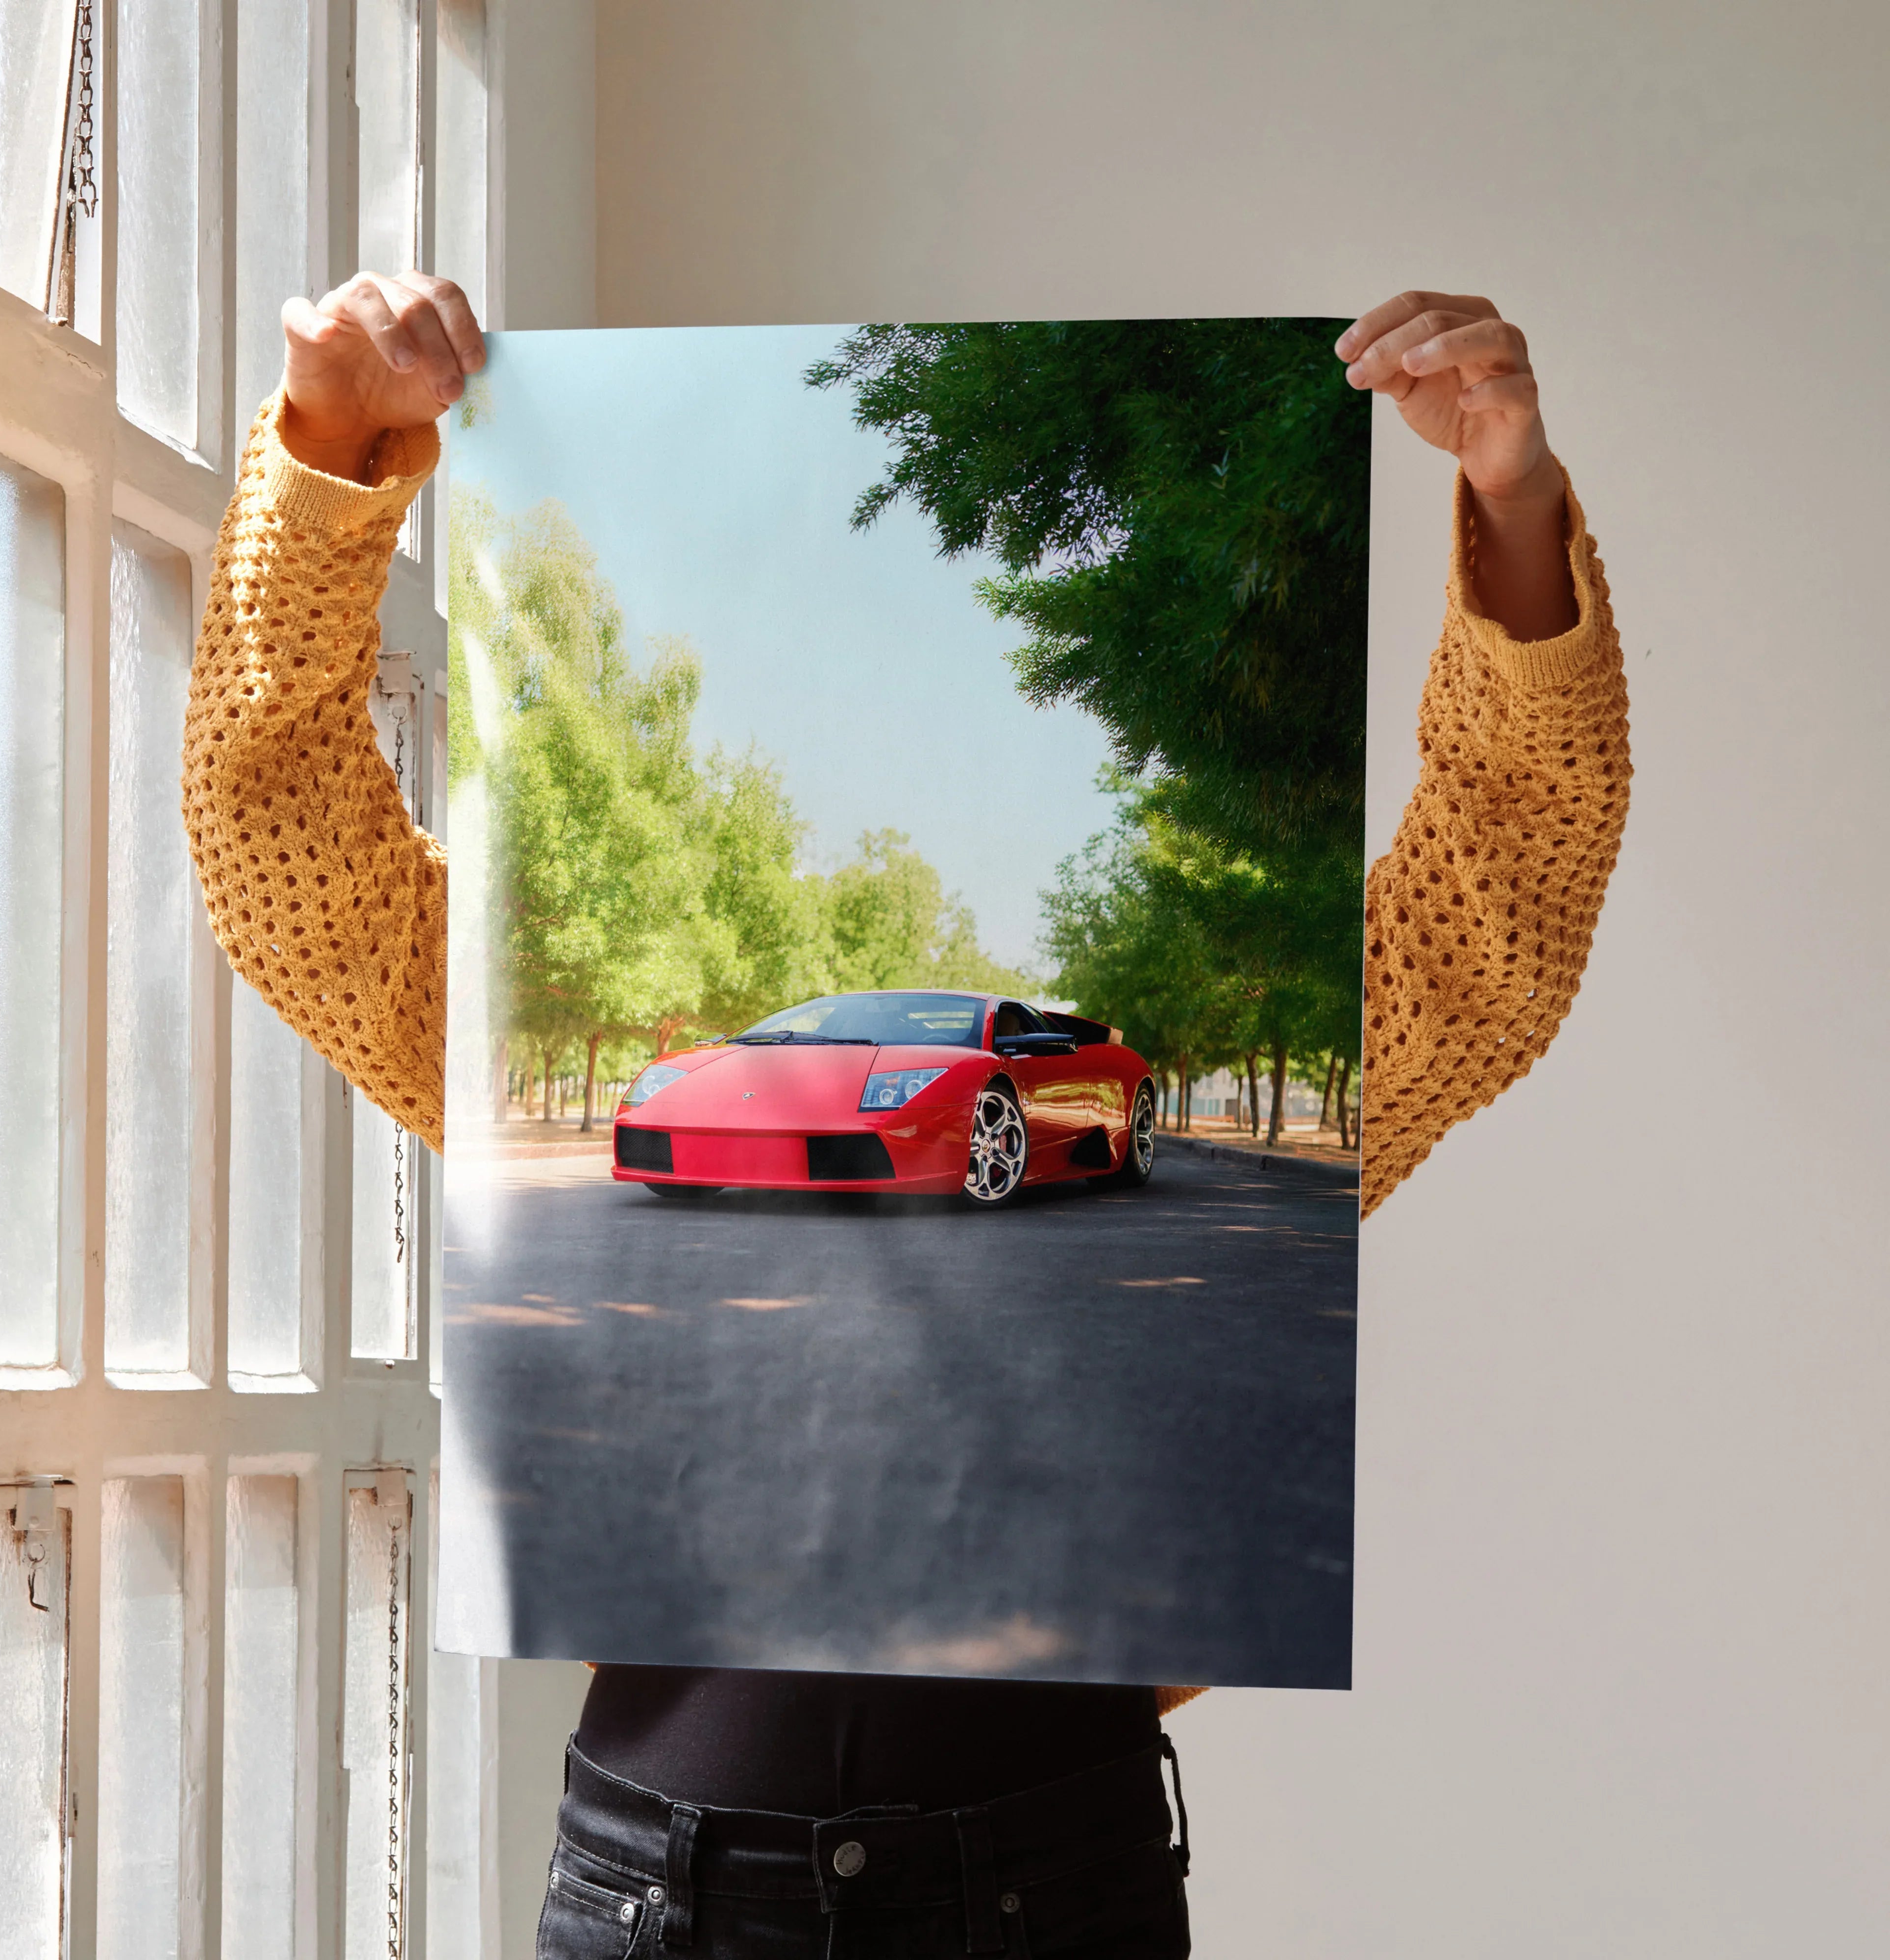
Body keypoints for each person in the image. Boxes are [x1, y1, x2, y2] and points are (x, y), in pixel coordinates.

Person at [183, 277, 1629, 1957]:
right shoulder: (546, 1045)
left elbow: (1499, 915)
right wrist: (329, 454)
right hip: (663, 1890)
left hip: (1049, 1881)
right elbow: (279, 852)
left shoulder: (1107, 1087)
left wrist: (1512, 503)